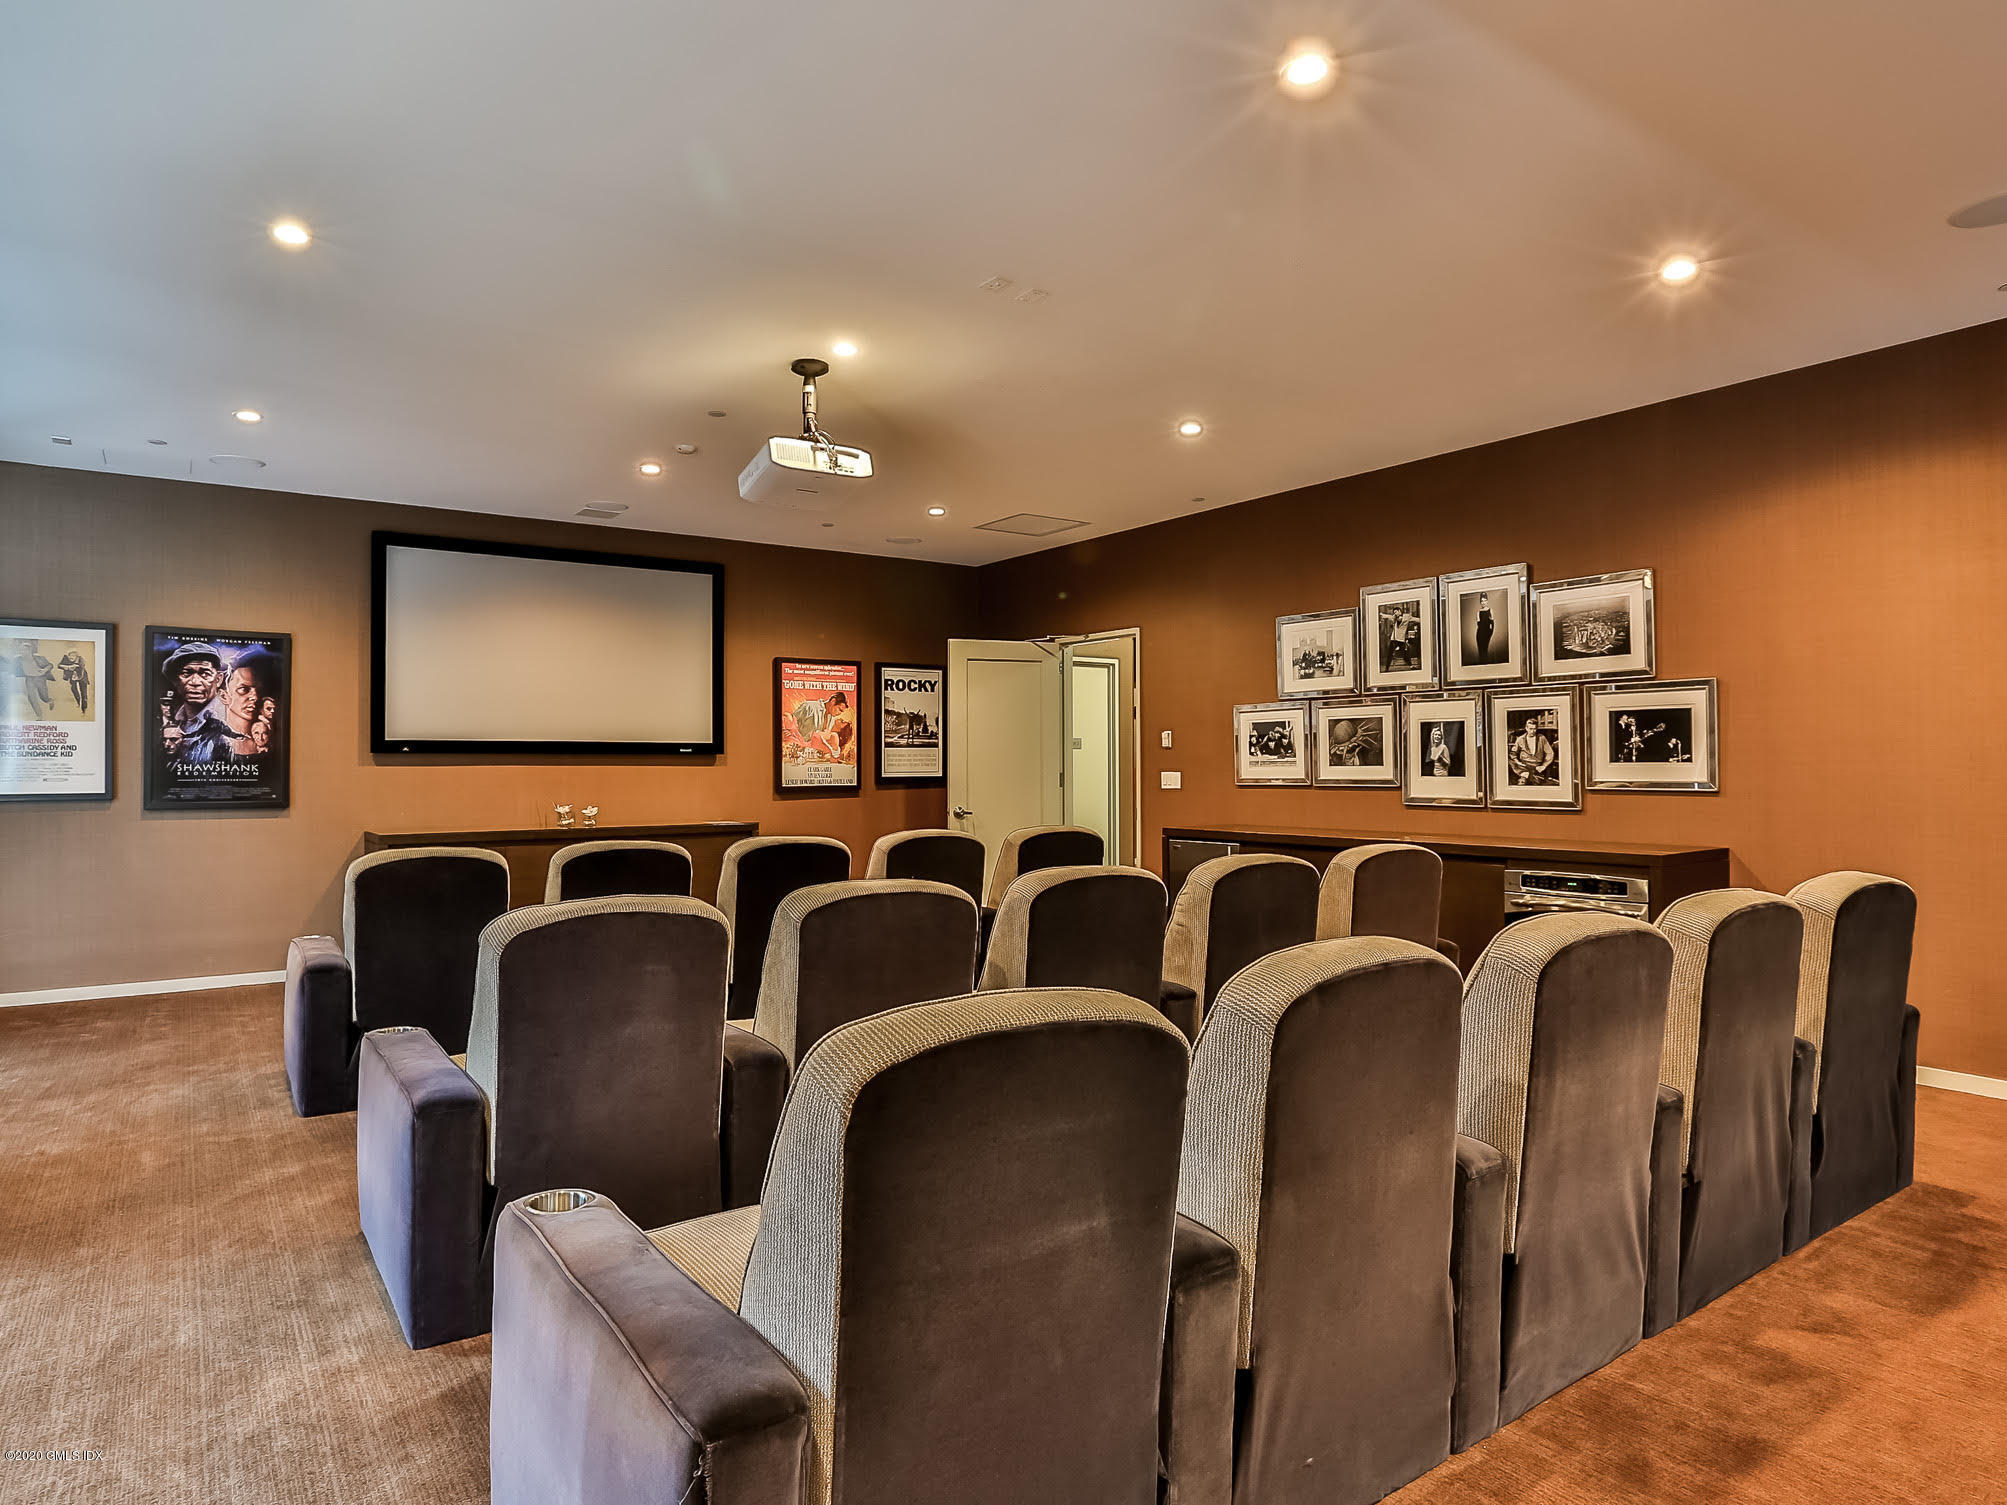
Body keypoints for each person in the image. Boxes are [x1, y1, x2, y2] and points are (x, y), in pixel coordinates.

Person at [157, 643, 233, 763]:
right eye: (186, 673)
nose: (195, 682)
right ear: (176, 681)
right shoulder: (175, 721)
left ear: (218, 679)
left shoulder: (229, 720)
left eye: (205, 674)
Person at [217, 659, 278, 757]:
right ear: (224, 696)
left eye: (258, 690)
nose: (255, 697)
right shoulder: (211, 743)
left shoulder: (270, 744)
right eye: (244, 689)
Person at [1508, 715, 1556, 784]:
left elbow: (1550, 753)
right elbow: (1513, 753)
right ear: (1526, 728)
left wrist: (1544, 765)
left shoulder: (1541, 738)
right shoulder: (1520, 739)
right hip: (1523, 765)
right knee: (1509, 761)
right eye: (1530, 729)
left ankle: (1526, 775)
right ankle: (1525, 774)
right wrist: (1517, 761)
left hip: (1537, 765)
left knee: (1528, 780)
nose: (1533, 731)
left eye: (1534, 729)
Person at [57, 649, 89, 713]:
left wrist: (76, 671)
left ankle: (84, 709)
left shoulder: (81, 660)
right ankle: (78, 702)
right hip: (72, 676)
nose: (71, 657)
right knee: (74, 689)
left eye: (73, 655)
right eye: (70, 655)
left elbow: (82, 668)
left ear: (76, 656)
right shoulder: (66, 658)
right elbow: (59, 665)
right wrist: (67, 667)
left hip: (81, 676)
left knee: (83, 693)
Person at [1474, 593, 1495, 664]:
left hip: (1487, 633)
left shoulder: (1490, 610)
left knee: (1485, 650)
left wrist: (1490, 633)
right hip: (1479, 634)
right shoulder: (1478, 612)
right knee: (1481, 651)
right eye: (1482, 601)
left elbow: (1492, 623)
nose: (1483, 602)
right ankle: (1482, 666)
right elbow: (1479, 624)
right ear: (1480, 602)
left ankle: (1486, 666)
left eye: (1485, 600)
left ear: (1487, 601)